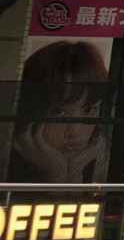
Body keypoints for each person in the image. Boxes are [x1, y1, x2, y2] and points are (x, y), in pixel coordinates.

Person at [9, 41, 110, 184]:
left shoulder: (106, 160)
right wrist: (57, 175)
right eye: (59, 112)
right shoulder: (6, 160)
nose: (74, 131)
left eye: (89, 110)